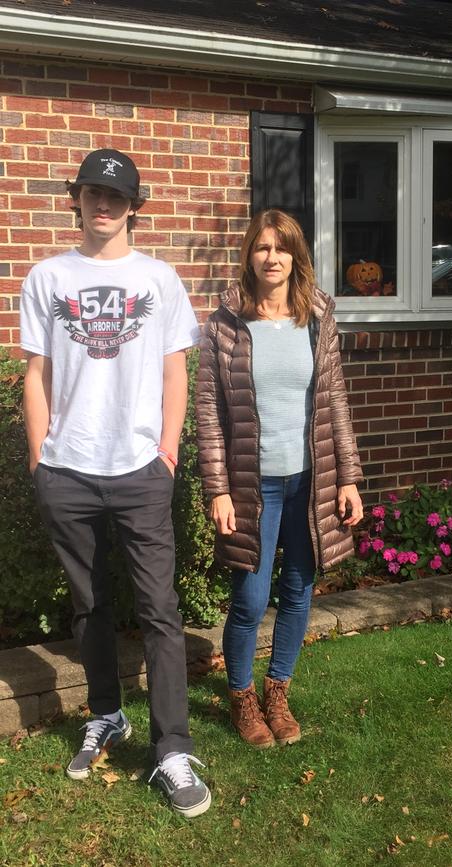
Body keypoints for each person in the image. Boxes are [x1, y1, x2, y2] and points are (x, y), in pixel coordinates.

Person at [20, 148, 211, 818]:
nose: (104, 204)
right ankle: (107, 714)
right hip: (67, 469)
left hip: (139, 470)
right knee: (91, 606)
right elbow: (36, 374)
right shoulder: (46, 277)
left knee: (159, 609)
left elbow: (175, 372)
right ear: (76, 198)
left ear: (135, 204)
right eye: (93, 193)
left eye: (117, 195)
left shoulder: (159, 280)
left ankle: (171, 750)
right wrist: (39, 460)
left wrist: (167, 451)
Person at [196, 209, 363, 748]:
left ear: (296, 256)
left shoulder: (318, 316)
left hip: (311, 480)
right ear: (250, 254)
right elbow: (209, 411)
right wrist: (217, 488)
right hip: (252, 485)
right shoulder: (225, 323)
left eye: (282, 248)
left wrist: (348, 477)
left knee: (297, 589)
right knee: (249, 596)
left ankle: (278, 691)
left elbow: (335, 398)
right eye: (262, 247)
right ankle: (242, 697)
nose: (272, 257)